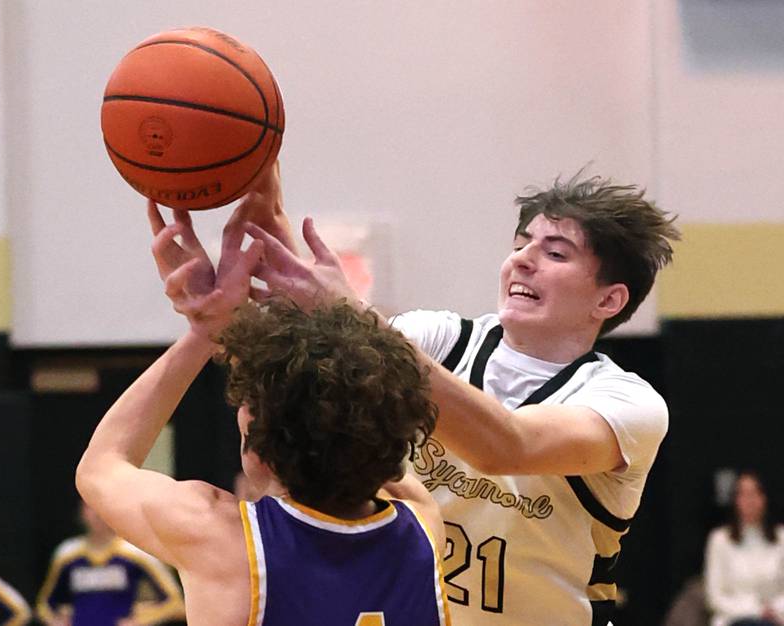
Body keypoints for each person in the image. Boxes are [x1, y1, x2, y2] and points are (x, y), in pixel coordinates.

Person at [247, 168, 680, 625]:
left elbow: (508, 446)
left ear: (608, 301)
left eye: (555, 253)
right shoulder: (438, 340)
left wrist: (352, 313)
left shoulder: (626, 404)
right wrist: (262, 200)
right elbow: (310, 378)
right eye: (520, 245)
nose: (522, 260)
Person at [75, 185, 452, 625]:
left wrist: (207, 330)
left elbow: (101, 467)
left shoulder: (222, 540)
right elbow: (365, 399)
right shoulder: (423, 525)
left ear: (259, 455)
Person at [35, 501, 185, 626]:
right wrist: (55, 621)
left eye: (102, 506)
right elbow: (45, 604)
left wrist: (141, 620)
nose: (96, 514)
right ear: (82, 512)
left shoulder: (135, 553)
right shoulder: (67, 553)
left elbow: (174, 601)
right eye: (90, 506)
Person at [704, 471, 784, 626]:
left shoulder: (781, 538)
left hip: (775, 618)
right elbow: (715, 597)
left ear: (765, 497)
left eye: (755, 493)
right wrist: (755, 610)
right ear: (735, 500)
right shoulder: (720, 540)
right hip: (734, 619)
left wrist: (773, 609)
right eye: (743, 494)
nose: (749, 501)